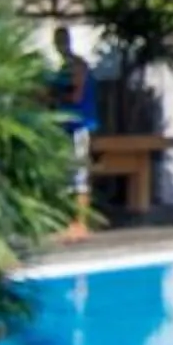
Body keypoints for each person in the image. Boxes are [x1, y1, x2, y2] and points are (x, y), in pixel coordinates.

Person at [49, 25, 98, 224]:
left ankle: (81, 222)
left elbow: (76, 96)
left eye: (62, 40)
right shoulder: (63, 67)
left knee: (79, 174)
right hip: (66, 128)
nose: (60, 45)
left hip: (79, 126)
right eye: (57, 41)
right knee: (67, 175)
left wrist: (52, 96)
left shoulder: (78, 65)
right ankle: (70, 220)